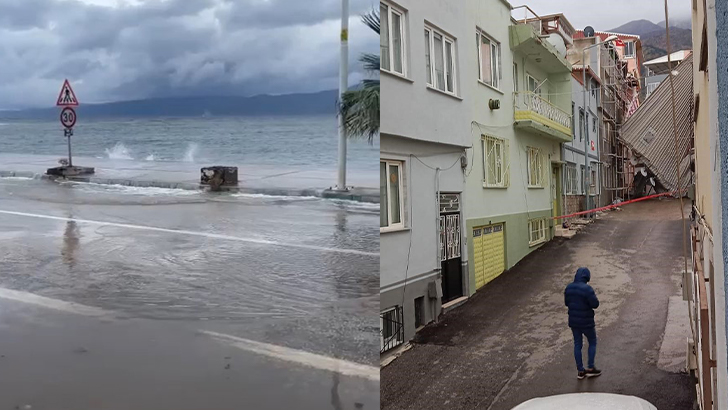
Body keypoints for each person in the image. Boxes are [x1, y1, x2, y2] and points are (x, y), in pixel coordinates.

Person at [564, 267, 602, 379]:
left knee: (577, 344)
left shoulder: (569, 287)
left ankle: (580, 371)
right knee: (592, 341)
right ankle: (590, 368)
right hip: (587, 322)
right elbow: (595, 304)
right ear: (587, 277)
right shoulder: (587, 289)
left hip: (574, 321)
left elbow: (567, 303)